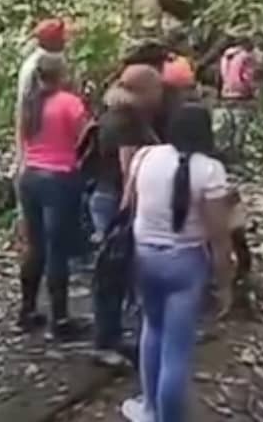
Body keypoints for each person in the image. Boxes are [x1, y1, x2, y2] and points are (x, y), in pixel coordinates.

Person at [121, 102, 234, 422]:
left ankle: (150, 409)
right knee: (177, 349)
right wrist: (224, 282)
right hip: (186, 263)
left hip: (144, 256)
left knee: (152, 330)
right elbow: (218, 235)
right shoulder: (210, 170)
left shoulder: (144, 157)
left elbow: (128, 206)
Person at [91, 65, 163, 355]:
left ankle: (114, 335)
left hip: (105, 195)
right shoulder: (127, 121)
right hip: (118, 200)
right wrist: (132, 209)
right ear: (142, 90)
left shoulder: (112, 112)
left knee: (112, 270)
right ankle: (111, 339)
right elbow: (128, 169)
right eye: (156, 88)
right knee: (117, 270)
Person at [16, 53, 88, 338]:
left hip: (31, 176)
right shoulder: (69, 103)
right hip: (60, 177)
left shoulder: (29, 104)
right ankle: (60, 320)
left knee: (35, 246)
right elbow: (85, 138)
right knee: (58, 247)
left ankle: (28, 310)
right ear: (62, 74)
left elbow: (23, 140)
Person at [16, 17, 67, 170]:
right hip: (39, 141)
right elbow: (23, 110)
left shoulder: (57, 59)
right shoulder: (33, 67)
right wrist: (21, 154)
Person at [219, 38, 258, 158]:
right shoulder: (247, 57)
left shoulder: (227, 55)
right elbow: (247, 76)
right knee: (240, 126)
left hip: (226, 93)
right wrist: (252, 89)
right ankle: (236, 154)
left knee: (227, 125)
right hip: (241, 95)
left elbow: (222, 73)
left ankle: (225, 151)